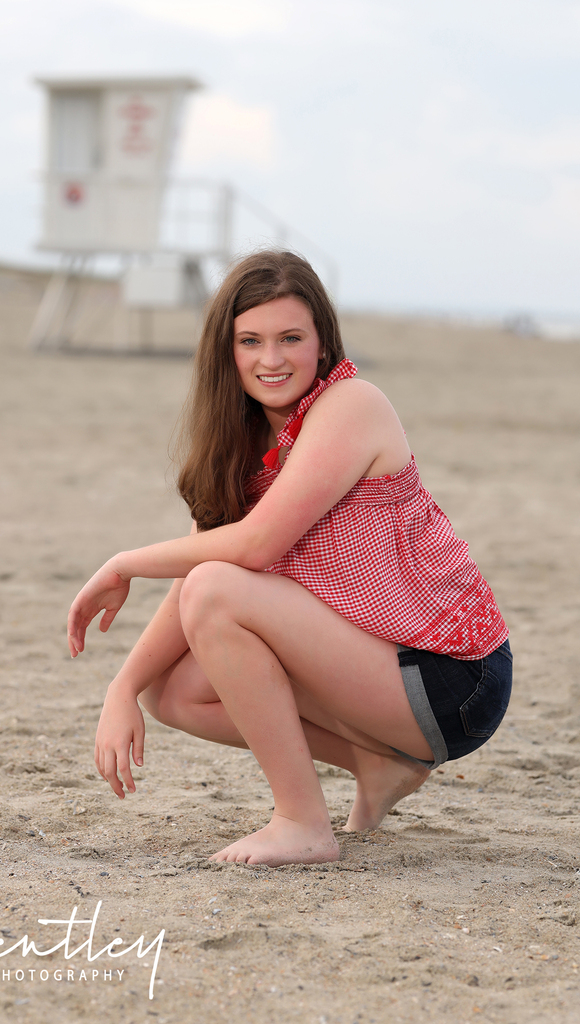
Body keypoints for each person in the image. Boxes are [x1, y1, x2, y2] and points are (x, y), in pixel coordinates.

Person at [67, 251, 512, 868]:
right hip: (375, 666)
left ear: (323, 343)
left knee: (216, 592)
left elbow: (250, 551)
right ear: (226, 352)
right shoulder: (240, 441)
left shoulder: (352, 405)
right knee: (171, 691)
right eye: (250, 341)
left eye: (290, 338)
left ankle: (302, 823)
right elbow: (204, 575)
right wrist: (123, 686)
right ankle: (376, 765)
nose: (270, 360)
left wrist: (124, 562)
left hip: (453, 676)